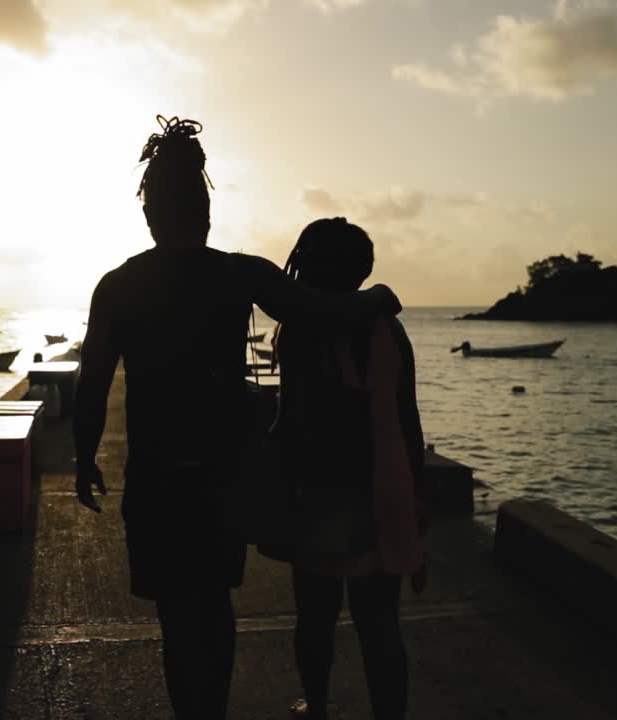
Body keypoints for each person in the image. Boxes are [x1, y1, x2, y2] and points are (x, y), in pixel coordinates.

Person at [73, 116, 402, 720]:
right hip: (223, 476)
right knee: (215, 607)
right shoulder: (239, 273)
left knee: (177, 617)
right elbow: (319, 310)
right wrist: (377, 297)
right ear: (205, 212)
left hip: (156, 477)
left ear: (149, 214)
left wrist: (83, 456)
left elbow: (91, 381)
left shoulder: (117, 286)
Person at [264, 218, 426, 720]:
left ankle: (316, 706)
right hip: (387, 493)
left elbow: (292, 422)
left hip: (323, 496)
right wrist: (417, 501)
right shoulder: (390, 328)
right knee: (381, 626)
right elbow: (410, 420)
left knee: (315, 617)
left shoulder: (301, 331)